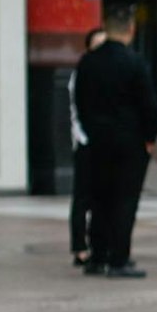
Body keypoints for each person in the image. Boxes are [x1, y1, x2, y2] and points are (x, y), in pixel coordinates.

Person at [72, 5, 157, 279]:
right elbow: (148, 105)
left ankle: (98, 256)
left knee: (99, 199)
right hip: (129, 143)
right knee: (124, 201)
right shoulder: (134, 63)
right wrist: (149, 137)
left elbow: (80, 102)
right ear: (131, 30)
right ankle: (119, 258)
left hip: (97, 141)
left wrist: (91, 131)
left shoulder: (88, 62)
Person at [67, 25, 107, 268]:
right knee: (83, 196)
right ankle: (80, 246)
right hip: (85, 140)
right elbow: (78, 110)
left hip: (104, 142)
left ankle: (99, 242)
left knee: (103, 196)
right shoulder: (81, 73)